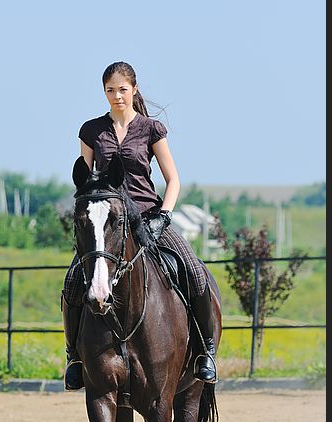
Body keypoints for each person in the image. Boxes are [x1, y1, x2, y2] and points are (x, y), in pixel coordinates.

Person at [62, 61, 217, 390]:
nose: (116, 96)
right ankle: (74, 357)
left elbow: (173, 180)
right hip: (107, 222)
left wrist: (165, 215)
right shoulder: (91, 131)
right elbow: (86, 181)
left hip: (148, 216)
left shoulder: (151, 129)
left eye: (122, 89)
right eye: (109, 90)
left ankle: (206, 352)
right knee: (75, 279)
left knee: (194, 270)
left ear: (133, 89)